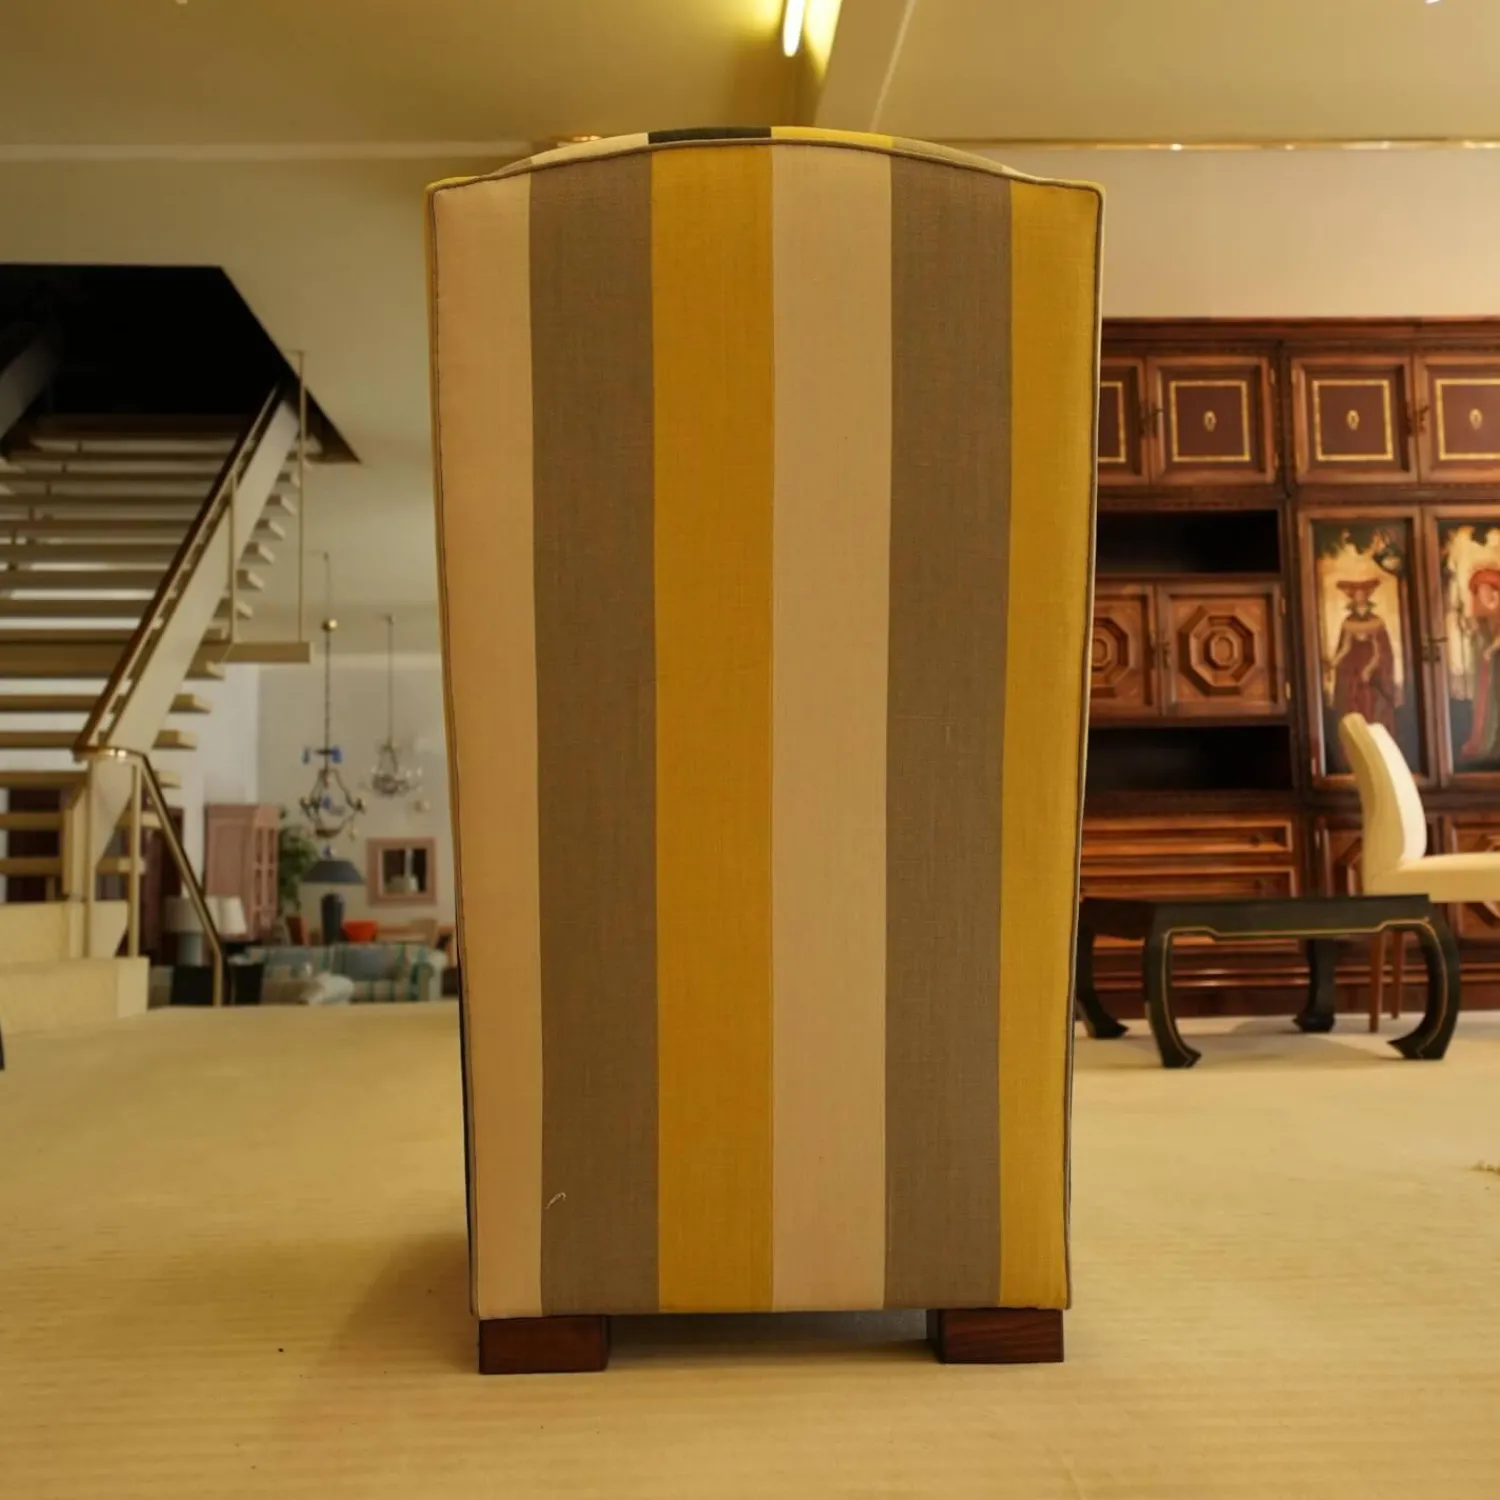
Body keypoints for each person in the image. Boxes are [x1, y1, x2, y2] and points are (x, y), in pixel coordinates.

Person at [1325, 577, 1400, 741]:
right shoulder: (1348, 622)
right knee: (1349, 697)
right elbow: (1345, 647)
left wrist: (1369, 669)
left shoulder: (1376, 621)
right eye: (1356, 595)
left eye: (1362, 595)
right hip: (1353, 664)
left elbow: (1379, 650)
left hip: (1372, 666)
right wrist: (1333, 663)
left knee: (1370, 700)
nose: (1359, 598)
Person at [1460, 566, 1500, 762]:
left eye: (1485, 590)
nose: (1481, 596)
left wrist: (1491, 649)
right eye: (1479, 591)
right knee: (1490, 705)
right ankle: (1488, 743)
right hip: (1491, 670)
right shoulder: (1484, 618)